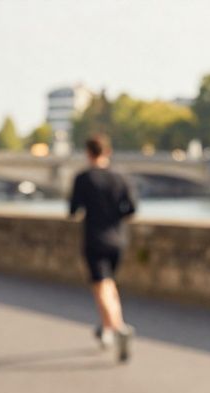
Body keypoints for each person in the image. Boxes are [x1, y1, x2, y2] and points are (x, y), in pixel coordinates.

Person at [69, 134, 136, 362]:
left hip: (95, 239)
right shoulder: (121, 177)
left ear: (88, 153)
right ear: (108, 152)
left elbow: (73, 210)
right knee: (110, 286)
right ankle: (106, 329)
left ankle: (118, 329)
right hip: (118, 240)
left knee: (101, 288)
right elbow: (131, 210)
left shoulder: (84, 178)